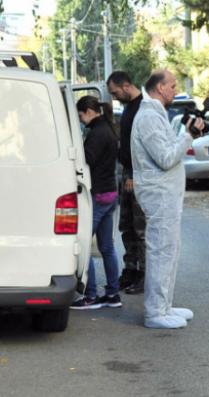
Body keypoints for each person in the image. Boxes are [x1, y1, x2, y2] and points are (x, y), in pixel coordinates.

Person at [131, 70, 205, 329]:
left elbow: (167, 150)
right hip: (159, 194)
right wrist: (188, 136)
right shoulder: (148, 117)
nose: (176, 90)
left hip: (166, 195)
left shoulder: (155, 113)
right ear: (160, 87)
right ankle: (155, 312)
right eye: (173, 86)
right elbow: (165, 158)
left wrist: (186, 135)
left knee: (169, 250)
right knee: (161, 252)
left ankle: (164, 306)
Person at [71, 95, 122, 310]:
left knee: (83, 245)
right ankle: (112, 294)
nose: (81, 121)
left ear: (89, 112)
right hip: (110, 193)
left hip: (99, 195)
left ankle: (90, 294)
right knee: (107, 247)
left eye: (81, 116)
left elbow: (86, 163)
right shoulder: (108, 128)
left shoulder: (96, 134)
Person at [107, 71, 148, 295]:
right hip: (127, 174)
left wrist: (132, 173)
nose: (114, 97)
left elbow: (140, 147)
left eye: (115, 93)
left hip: (136, 176)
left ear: (126, 85)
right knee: (127, 226)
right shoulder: (129, 108)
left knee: (140, 229)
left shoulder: (143, 107)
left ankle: (144, 274)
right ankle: (130, 269)